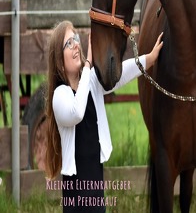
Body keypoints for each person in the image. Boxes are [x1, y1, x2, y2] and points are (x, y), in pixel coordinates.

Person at [45, 20, 163, 212]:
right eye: (68, 43)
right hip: (76, 190)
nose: (76, 44)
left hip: (95, 181)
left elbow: (119, 73)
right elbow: (77, 112)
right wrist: (88, 65)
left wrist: (148, 60)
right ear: (59, 59)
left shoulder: (90, 81)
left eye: (75, 38)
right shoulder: (60, 95)